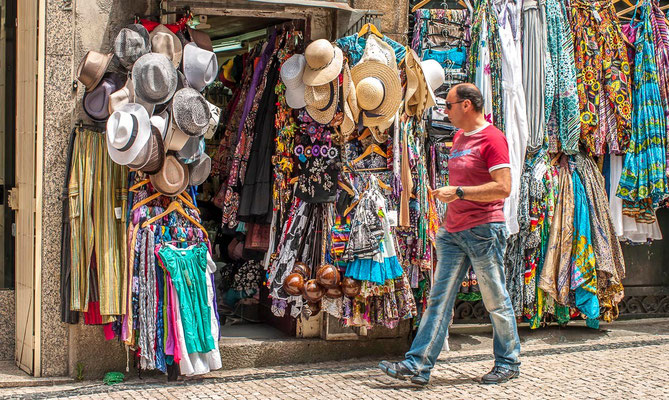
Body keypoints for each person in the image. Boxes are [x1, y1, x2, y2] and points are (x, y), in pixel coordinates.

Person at [379, 83, 521, 385]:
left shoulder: (493, 139)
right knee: (438, 300)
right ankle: (417, 365)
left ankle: (508, 361)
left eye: (450, 105)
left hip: (484, 230)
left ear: (467, 105)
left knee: (495, 298)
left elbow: (504, 187)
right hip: (453, 232)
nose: (445, 111)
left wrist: (458, 192)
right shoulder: (457, 137)